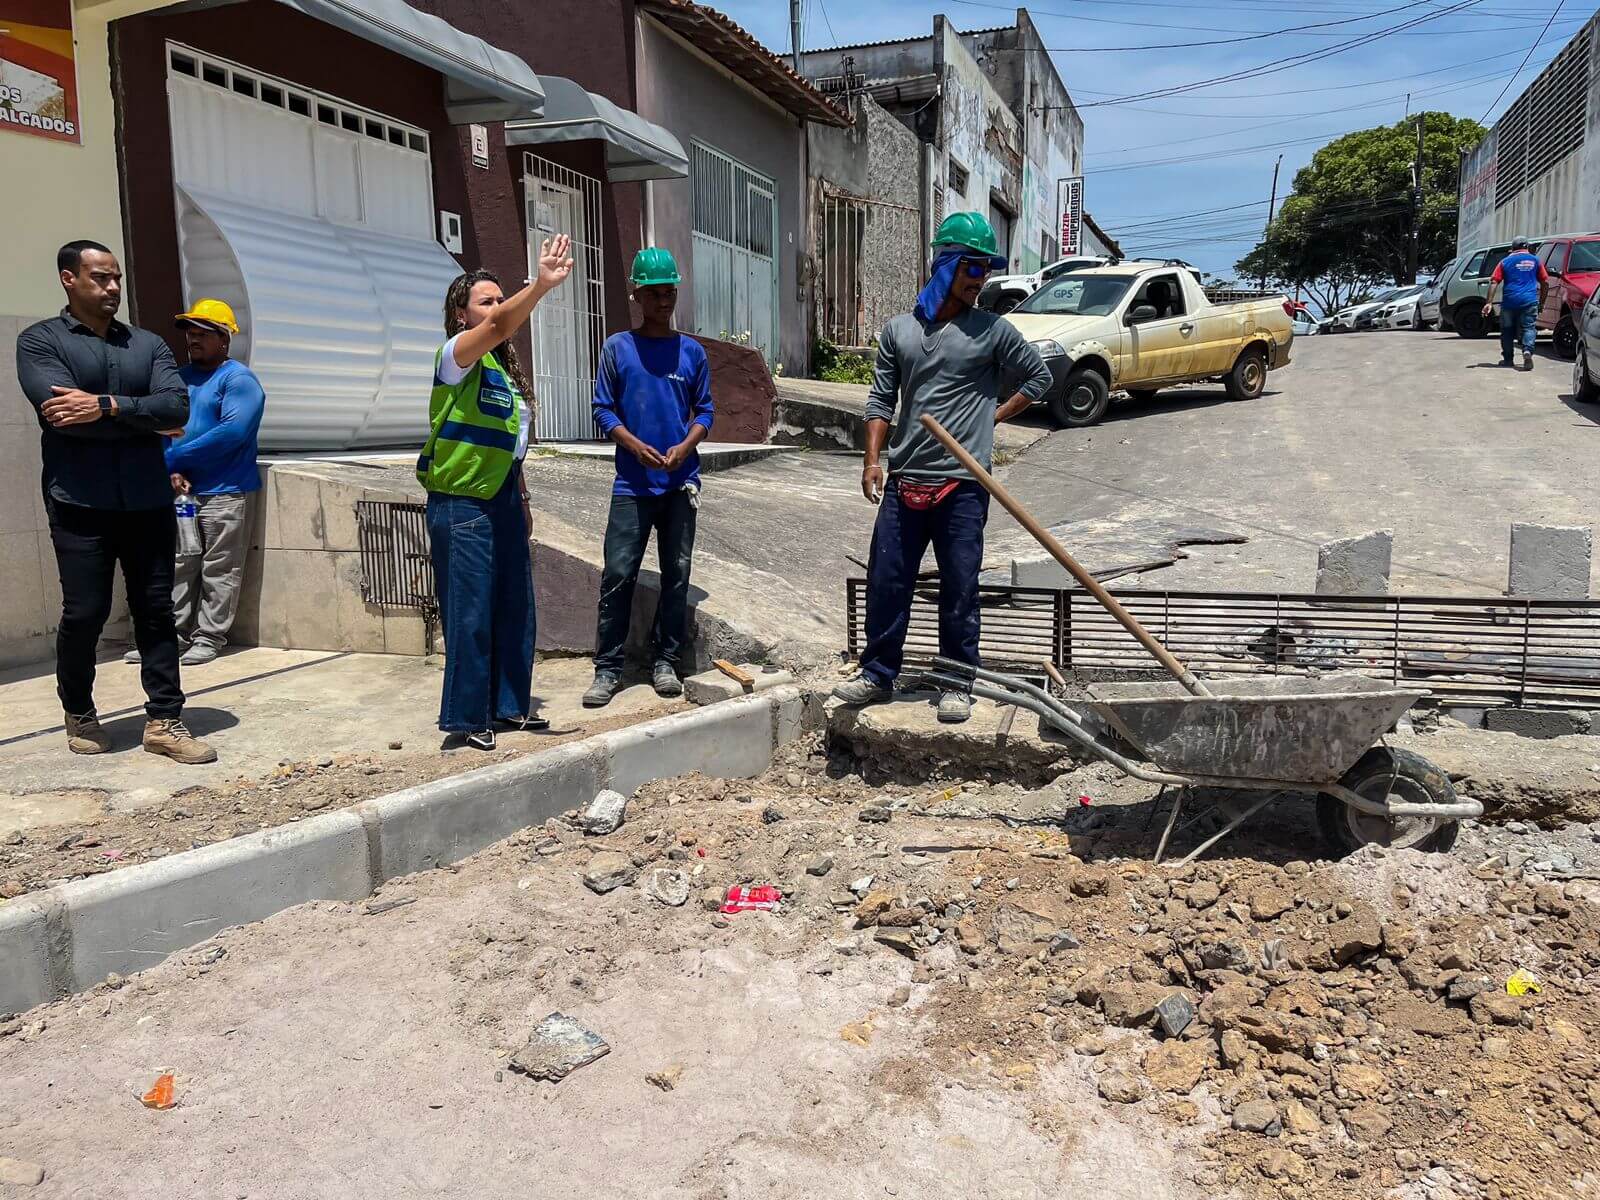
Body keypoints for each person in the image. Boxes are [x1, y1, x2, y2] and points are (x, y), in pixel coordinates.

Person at [831, 213, 1052, 724]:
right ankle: (877, 674)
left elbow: (1039, 376)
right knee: (888, 582)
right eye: (973, 268)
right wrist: (871, 461)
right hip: (906, 479)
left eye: (985, 270)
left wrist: (991, 416)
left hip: (963, 485)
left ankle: (956, 680)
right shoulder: (899, 332)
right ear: (946, 265)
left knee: (959, 587)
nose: (981, 280)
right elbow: (881, 400)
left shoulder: (993, 331)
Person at [15, 240, 216, 763]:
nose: (112, 288)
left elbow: (176, 409)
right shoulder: (40, 342)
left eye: (116, 278)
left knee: (156, 610)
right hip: (79, 502)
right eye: (100, 278)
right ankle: (79, 711)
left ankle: (165, 720)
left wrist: (103, 406)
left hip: (146, 500)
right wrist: (139, 417)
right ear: (68, 279)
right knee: (86, 612)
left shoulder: (147, 345)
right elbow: (58, 411)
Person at [418, 236, 573, 751]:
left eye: (498, 297)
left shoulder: (502, 375)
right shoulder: (455, 358)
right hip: (462, 502)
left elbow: (513, 445)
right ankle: (467, 715)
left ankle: (509, 706)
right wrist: (540, 285)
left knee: (514, 604)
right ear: (461, 315)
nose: (497, 306)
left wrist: (522, 499)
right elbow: (501, 324)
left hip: (503, 499)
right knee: (470, 610)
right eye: (485, 300)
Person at [583, 248, 714, 708]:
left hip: (680, 485)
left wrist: (686, 446)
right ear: (637, 294)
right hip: (632, 486)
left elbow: (705, 411)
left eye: (670, 291)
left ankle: (666, 662)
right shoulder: (617, 348)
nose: (664, 300)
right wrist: (633, 445)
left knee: (677, 575)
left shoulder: (692, 352)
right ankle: (608, 668)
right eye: (655, 292)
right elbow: (602, 408)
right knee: (619, 573)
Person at [123, 299, 264, 667]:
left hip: (225, 492)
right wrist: (170, 467)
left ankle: (210, 637)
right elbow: (162, 429)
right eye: (191, 333)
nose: (194, 340)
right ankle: (170, 636)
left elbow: (232, 433)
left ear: (225, 338)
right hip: (183, 493)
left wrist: (172, 459)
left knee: (220, 566)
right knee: (179, 563)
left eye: (204, 333)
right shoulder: (180, 380)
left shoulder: (239, 380)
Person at [1483, 237, 1547, 371]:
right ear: (1527, 247)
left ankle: (1508, 359)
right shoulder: (1536, 261)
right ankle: (1527, 351)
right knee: (1529, 328)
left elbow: (1494, 281)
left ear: (1513, 248)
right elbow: (1545, 282)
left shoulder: (1504, 262)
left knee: (1507, 331)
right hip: (1529, 301)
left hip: (1509, 302)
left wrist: (1489, 302)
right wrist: (1541, 302)